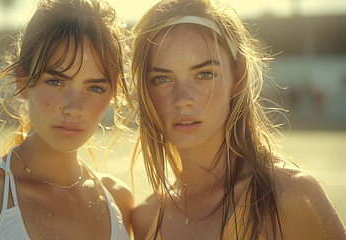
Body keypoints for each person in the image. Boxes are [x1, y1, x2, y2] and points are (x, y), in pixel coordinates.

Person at [128, 0, 346, 239]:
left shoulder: (288, 196)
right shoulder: (145, 218)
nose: (183, 99)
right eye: (161, 78)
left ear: (237, 77)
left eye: (204, 74)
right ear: (143, 89)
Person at [0, 0, 133, 239]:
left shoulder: (120, 201)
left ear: (114, 94)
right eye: (55, 82)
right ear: (22, 80)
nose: (74, 108)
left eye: (95, 88)